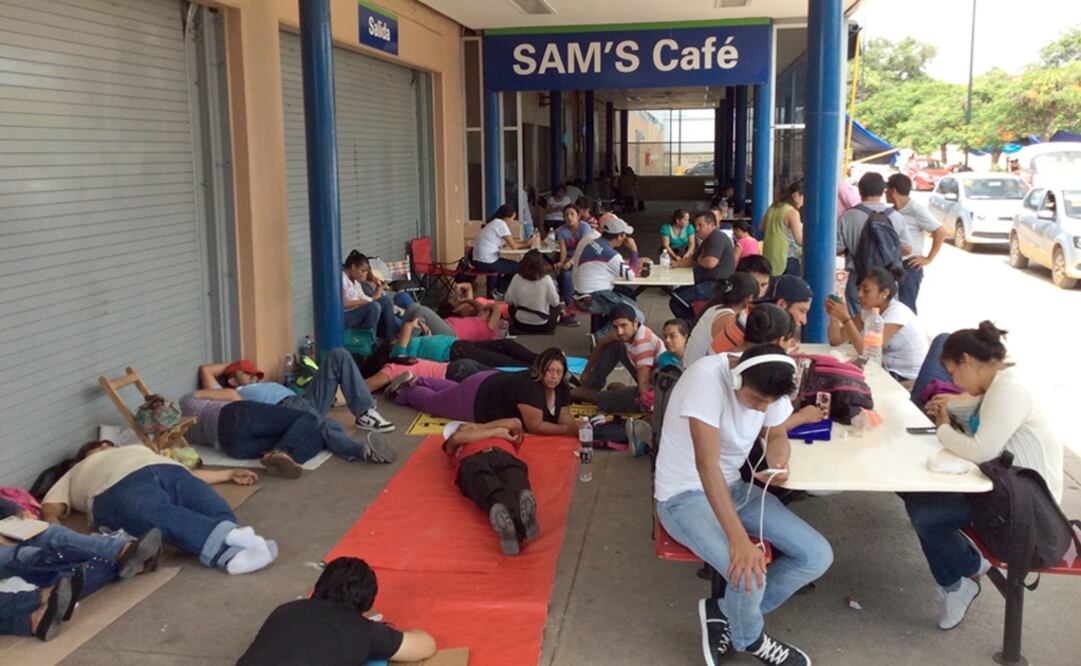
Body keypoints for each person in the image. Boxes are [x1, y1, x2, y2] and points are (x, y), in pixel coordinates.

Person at [654, 345, 831, 666]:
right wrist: (738, 541)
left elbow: (776, 435)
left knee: (817, 555)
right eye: (755, 401)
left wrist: (779, 460)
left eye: (767, 404)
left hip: (734, 488)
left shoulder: (770, 387)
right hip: (682, 495)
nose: (761, 408)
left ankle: (724, 613)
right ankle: (749, 638)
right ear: (736, 381)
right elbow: (706, 465)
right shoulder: (706, 379)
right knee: (749, 572)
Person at [904, 322, 1063, 630]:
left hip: (1028, 506)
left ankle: (961, 579)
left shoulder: (1011, 390)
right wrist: (952, 410)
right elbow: (982, 418)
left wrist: (943, 429)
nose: (954, 381)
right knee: (920, 502)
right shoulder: (1002, 384)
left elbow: (980, 449)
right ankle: (966, 569)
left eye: (953, 372)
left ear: (966, 361)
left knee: (926, 513)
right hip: (1006, 487)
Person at [40, 441, 276, 575]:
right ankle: (232, 551)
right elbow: (50, 506)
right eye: (96, 447)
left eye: (107, 444)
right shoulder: (76, 470)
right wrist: (56, 528)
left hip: (168, 470)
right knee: (153, 514)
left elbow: (195, 476)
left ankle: (232, 548)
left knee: (215, 510)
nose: (104, 445)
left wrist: (229, 473)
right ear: (84, 456)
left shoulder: (135, 447)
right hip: (115, 485)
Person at [195, 353, 396, 465]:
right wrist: (232, 366)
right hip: (284, 410)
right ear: (231, 380)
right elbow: (206, 370)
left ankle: (364, 411)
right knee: (324, 425)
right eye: (246, 373)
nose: (254, 376)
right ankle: (363, 452)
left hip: (301, 398)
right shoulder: (233, 393)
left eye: (255, 373)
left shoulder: (255, 385)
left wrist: (239, 369)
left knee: (338, 356)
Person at [239, 557, 436, 665]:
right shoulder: (362, 630)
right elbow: (425, 646)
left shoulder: (285, 611)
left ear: (318, 588)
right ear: (366, 607)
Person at [390, 348, 579, 437]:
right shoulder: (530, 388)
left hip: (487, 382)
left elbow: (564, 413)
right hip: (478, 399)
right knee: (436, 401)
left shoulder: (560, 386)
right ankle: (406, 391)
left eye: (558, 372)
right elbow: (536, 425)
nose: (554, 376)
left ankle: (418, 378)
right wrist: (569, 431)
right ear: (541, 370)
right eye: (550, 371)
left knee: (453, 391)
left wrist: (576, 426)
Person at [441, 419, 539, 556]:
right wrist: (497, 431)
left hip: (503, 456)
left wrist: (481, 427)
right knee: (487, 486)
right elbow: (456, 438)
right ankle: (515, 526)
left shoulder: (505, 436)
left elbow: (516, 423)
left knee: (517, 481)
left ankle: (519, 524)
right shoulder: (458, 444)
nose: (468, 426)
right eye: (463, 427)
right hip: (473, 461)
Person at [824, 267, 928, 383]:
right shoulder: (868, 310)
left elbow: (868, 352)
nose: (860, 294)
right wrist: (834, 316)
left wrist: (846, 318)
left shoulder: (896, 314)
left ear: (884, 293)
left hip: (904, 376)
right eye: (859, 289)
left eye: (866, 290)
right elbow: (836, 340)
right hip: (882, 368)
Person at [836, 172, 913, 318]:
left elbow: (837, 248)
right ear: (883, 191)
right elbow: (908, 248)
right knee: (886, 319)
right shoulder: (896, 216)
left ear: (859, 191)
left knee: (857, 324)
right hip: (887, 279)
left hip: (859, 277)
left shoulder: (848, 216)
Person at [574, 303, 663, 413]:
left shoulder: (643, 345)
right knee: (616, 345)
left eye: (623, 325)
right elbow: (601, 344)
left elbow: (643, 386)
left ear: (635, 322)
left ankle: (592, 394)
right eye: (615, 327)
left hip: (654, 391)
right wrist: (586, 371)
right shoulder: (625, 332)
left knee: (604, 400)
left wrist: (647, 408)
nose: (619, 331)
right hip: (645, 373)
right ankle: (591, 386)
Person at [886, 174, 946, 313]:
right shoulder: (891, 211)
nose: (885, 193)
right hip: (893, 264)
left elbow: (940, 231)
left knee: (906, 309)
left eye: (886, 190)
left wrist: (929, 258)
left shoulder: (916, 209)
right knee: (891, 309)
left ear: (893, 191)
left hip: (910, 266)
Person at [572, 213, 644, 323]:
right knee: (637, 318)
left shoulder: (594, 243)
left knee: (631, 303)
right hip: (592, 298)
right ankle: (601, 336)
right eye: (624, 234)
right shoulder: (610, 253)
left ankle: (608, 332)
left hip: (584, 295)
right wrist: (634, 250)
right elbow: (631, 275)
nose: (626, 238)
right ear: (619, 236)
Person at [670, 211, 736, 320]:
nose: (697, 229)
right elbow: (693, 260)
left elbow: (710, 263)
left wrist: (700, 260)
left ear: (712, 225)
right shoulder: (706, 240)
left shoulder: (717, 237)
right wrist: (676, 264)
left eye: (701, 225)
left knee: (677, 301)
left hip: (717, 285)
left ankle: (691, 326)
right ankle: (692, 323)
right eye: (696, 225)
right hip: (706, 281)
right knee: (675, 296)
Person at [392, 318, 536, 368]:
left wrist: (427, 335)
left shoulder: (411, 345)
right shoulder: (396, 354)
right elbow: (406, 328)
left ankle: (540, 359)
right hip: (453, 353)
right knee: (503, 361)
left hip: (458, 345)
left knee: (505, 345)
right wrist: (412, 323)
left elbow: (424, 348)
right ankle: (542, 370)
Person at [684, 273, 760, 366]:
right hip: (696, 372)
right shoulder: (727, 319)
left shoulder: (715, 308)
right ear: (750, 298)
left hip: (691, 368)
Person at [473, 205, 535, 297]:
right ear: (507, 217)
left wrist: (526, 242)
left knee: (512, 266)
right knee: (520, 268)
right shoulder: (500, 224)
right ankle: (498, 291)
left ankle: (494, 292)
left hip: (478, 261)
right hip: (487, 261)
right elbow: (514, 246)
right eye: (512, 219)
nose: (512, 222)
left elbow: (509, 243)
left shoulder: (493, 223)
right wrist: (528, 243)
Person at [342, 251, 397, 339]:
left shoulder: (355, 281)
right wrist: (361, 302)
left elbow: (369, 299)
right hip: (345, 315)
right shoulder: (341, 279)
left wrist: (378, 286)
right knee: (373, 307)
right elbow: (340, 305)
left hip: (358, 310)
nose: (364, 274)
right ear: (353, 267)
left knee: (386, 300)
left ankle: (390, 338)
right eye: (362, 271)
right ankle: (370, 342)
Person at [554, 204, 593, 325]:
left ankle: (577, 304)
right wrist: (562, 262)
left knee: (569, 275)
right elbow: (563, 250)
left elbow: (583, 248)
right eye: (566, 215)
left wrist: (570, 262)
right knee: (564, 275)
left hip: (585, 259)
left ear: (578, 216)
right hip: (570, 260)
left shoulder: (585, 228)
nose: (569, 217)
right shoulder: (562, 231)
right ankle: (570, 310)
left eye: (572, 214)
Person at [505, 249, 561, 334]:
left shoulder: (517, 277)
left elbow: (508, 300)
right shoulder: (546, 279)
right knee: (557, 307)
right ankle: (549, 331)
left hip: (520, 323)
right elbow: (555, 302)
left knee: (511, 307)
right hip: (541, 325)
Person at [761, 182, 804, 277]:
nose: (803, 203)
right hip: (787, 258)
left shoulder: (773, 207)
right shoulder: (792, 212)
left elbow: (762, 227)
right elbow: (800, 240)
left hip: (770, 256)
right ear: (796, 195)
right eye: (803, 198)